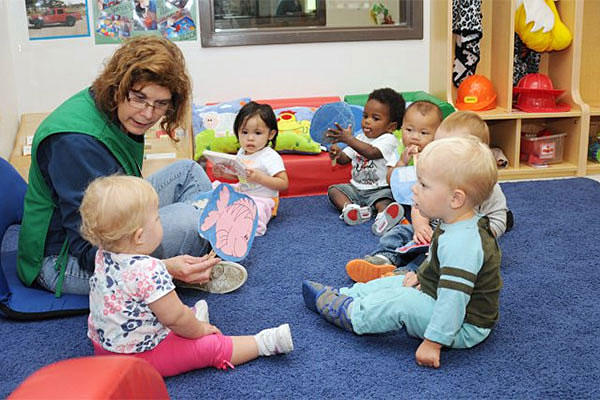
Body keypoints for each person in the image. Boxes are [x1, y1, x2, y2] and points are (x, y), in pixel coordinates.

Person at [17, 36, 243, 296]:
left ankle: (198, 258)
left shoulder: (109, 106)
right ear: (118, 86)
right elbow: (88, 248)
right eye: (139, 98)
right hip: (63, 262)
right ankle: (182, 267)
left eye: (160, 104)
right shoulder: (75, 143)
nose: (148, 114)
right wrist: (161, 269)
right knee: (194, 220)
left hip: (114, 221)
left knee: (188, 171)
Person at [303, 135, 502, 369]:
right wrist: (422, 276)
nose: (414, 190)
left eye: (424, 185)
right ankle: (349, 294)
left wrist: (433, 342)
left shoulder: (462, 244)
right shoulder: (454, 220)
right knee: (397, 279)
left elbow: (453, 302)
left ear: (456, 198)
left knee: (404, 302)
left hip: (463, 325)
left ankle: (351, 313)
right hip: (438, 292)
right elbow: (436, 260)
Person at [81, 176, 293, 376]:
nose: (160, 221)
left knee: (174, 314)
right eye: (157, 218)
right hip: (138, 358)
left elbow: (132, 284)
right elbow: (174, 318)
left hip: (104, 347)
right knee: (209, 345)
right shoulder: (150, 270)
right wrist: (199, 329)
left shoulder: (103, 255)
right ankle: (263, 343)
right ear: (139, 236)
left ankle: (192, 319)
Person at [346, 110, 512, 283]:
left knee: (438, 257)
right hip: (429, 231)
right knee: (401, 232)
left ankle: (408, 274)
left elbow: (499, 217)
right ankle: (383, 259)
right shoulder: (434, 177)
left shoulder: (487, 187)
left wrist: (480, 235)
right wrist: (420, 226)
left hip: (457, 243)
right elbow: (418, 203)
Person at [326, 88, 405, 235]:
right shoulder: (360, 137)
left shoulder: (388, 140)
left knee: (387, 197)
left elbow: (371, 152)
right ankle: (351, 209)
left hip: (379, 189)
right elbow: (345, 159)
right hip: (356, 189)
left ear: (391, 126)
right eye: (365, 116)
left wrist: (349, 139)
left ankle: (383, 216)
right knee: (334, 190)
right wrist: (337, 154)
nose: (367, 121)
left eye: (375, 118)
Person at [212, 101, 289, 236]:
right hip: (243, 193)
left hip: (264, 199)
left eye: (258, 133)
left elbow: (283, 184)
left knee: (254, 209)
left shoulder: (269, 156)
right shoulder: (242, 151)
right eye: (245, 132)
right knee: (216, 188)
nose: (250, 138)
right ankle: (226, 216)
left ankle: (250, 227)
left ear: (270, 135)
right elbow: (240, 176)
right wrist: (224, 173)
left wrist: (259, 178)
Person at [378, 100, 444, 235]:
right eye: (409, 130)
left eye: (424, 133)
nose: (414, 137)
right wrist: (402, 162)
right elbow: (390, 180)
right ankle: (388, 217)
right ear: (401, 128)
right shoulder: (398, 150)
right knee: (383, 196)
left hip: (425, 199)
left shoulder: (436, 151)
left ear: (437, 136)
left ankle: (420, 225)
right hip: (401, 197)